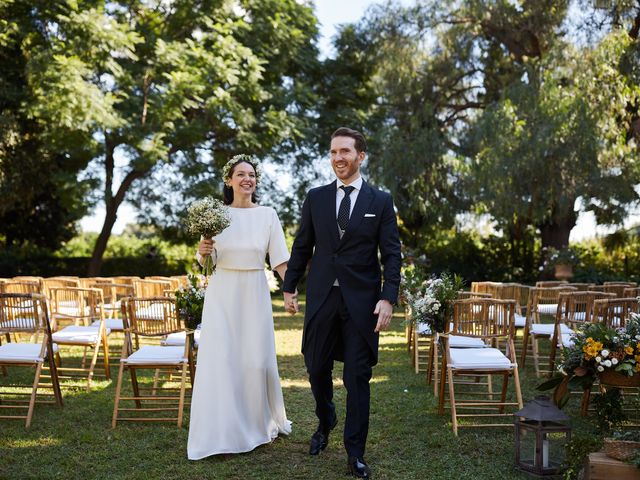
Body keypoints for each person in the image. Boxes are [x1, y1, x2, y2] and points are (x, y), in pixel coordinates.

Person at [282, 128, 401, 479]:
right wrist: (290, 287)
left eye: (345, 151)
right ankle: (326, 418)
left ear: (360, 156)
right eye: (333, 152)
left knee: (356, 377)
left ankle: (355, 453)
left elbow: (392, 254)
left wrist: (388, 297)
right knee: (316, 367)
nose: (338, 158)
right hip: (322, 298)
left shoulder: (380, 201)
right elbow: (302, 245)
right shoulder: (316, 197)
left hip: (362, 303)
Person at [187, 154, 291, 460]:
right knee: (222, 360)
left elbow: (281, 259)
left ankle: (257, 424)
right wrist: (203, 252)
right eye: (241, 174)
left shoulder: (268, 215)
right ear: (228, 180)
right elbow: (207, 264)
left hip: (255, 292)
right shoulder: (215, 215)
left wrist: (291, 288)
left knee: (255, 360)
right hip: (222, 292)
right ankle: (222, 430)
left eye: (252, 174)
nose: (247, 178)